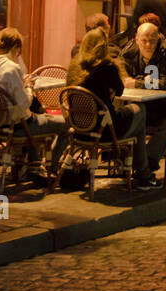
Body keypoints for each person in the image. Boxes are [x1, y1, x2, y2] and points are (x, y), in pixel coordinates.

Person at [67, 28, 158, 189]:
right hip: (105, 131)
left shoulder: (74, 67)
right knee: (140, 111)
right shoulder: (106, 67)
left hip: (79, 130)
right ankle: (142, 173)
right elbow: (121, 90)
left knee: (133, 119)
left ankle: (129, 165)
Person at [0, 27, 66, 180]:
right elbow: (23, 106)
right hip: (16, 126)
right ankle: (50, 168)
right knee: (65, 124)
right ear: (16, 48)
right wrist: (28, 87)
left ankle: (34, 166)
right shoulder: (11, 68)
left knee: (38, 115)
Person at [121, 21, 166, 167]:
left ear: (158, 40)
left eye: (152, 41)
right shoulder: (128, 54)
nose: (148, 45)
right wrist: (148, 81)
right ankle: (124, 162)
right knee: (129, 117)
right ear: (137, 39)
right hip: (144, 107)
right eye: (144, 41)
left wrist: (138, 83)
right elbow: (123, 80)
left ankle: (145, 166)